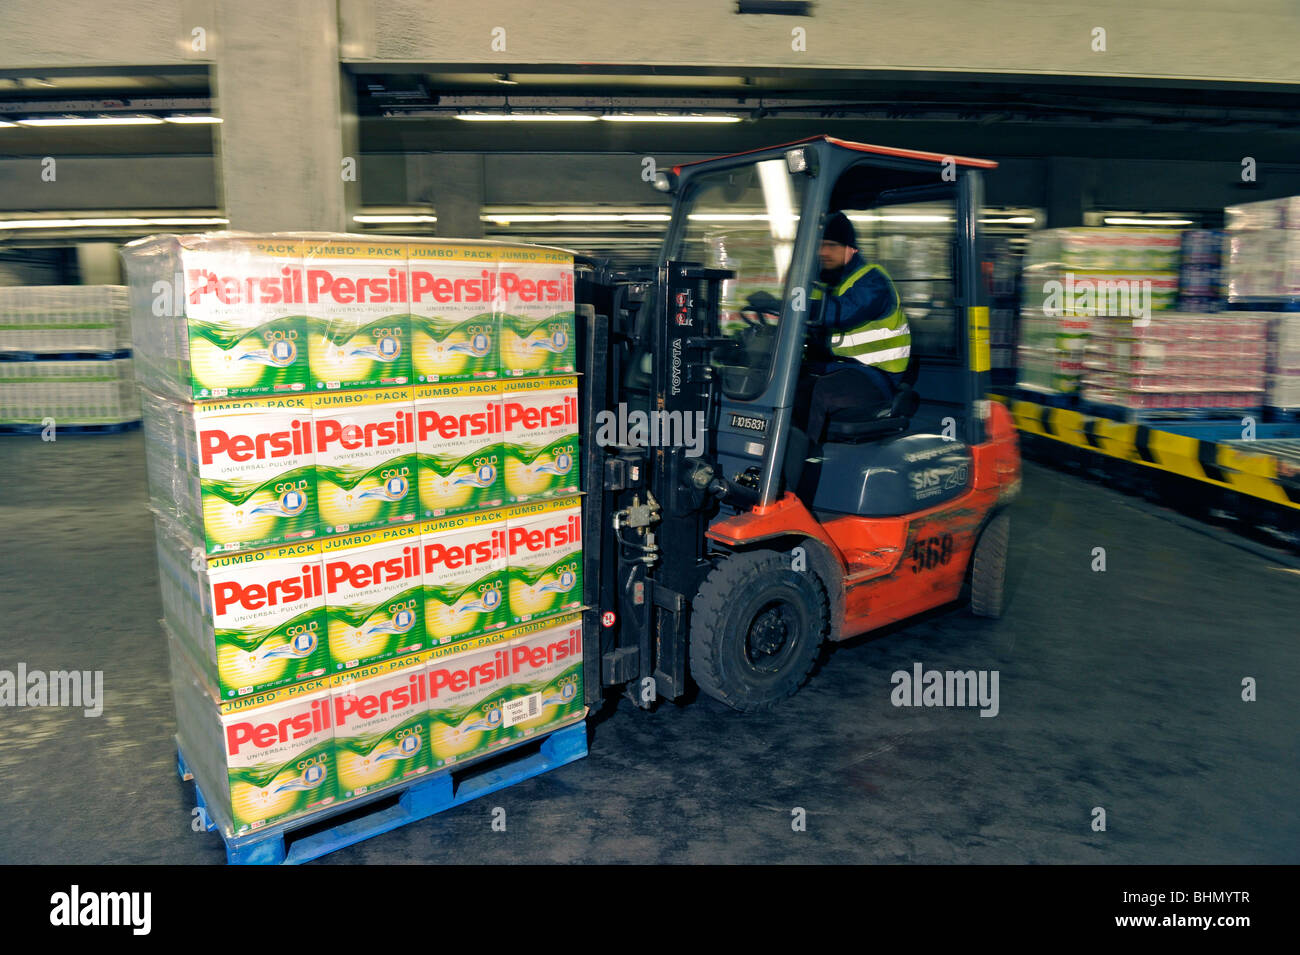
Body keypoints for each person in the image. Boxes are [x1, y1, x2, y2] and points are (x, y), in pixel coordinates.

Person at [801, 211, 911, 443]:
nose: (823, 252)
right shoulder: (824, 281)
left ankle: (798, 463)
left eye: (831, 245)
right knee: (783, 383)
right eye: (820, 246)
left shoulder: (872, 281)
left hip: (874, 376)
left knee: (814, 393)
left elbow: (842, 312)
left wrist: (792, 307)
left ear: (850, 247)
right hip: (836, 368)